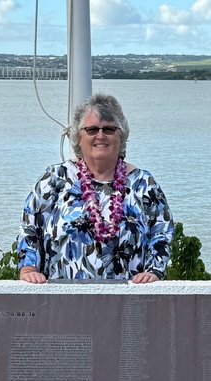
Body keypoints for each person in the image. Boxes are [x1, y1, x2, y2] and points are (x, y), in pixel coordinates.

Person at [18, 93, 174, 283]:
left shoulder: (144, 184)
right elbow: (30, 226)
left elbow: (162, 233)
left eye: (109, 129)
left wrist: (154, 271)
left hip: (128, 302)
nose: (100, 135)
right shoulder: (54, 179)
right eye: (92, 130)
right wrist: (28, 268)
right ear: (78, 137)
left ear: (121, 135)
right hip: (62, 302)